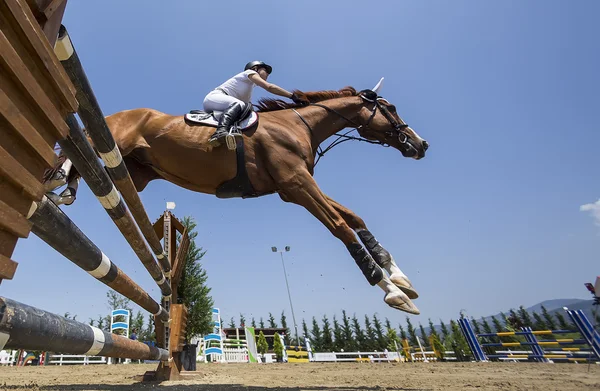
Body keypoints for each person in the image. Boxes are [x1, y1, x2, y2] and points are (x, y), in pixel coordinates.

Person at [203, 60, 309, 146]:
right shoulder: (249, 73)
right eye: (265, 70)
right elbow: (270, 87)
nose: (267, 74)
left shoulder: (248, 88)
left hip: (225, 104)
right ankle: (219, 132)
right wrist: (292, 96)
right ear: (255, 69)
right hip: (215, 98)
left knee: (248, 109)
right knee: (241, 105)